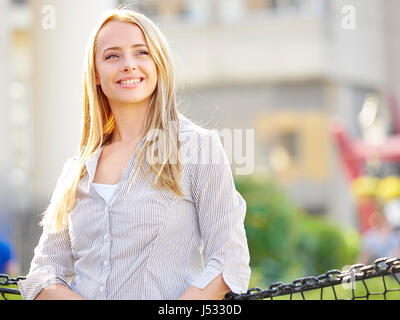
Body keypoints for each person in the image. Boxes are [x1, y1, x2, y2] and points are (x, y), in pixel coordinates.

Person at [17, 8, 251, 300]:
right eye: (112, 55)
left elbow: (229, 262)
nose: (128, 65)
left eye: (141, 52)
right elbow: (43, 272)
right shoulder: (77, 169)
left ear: (158, 64)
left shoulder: (197, 148)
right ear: (97, 74)